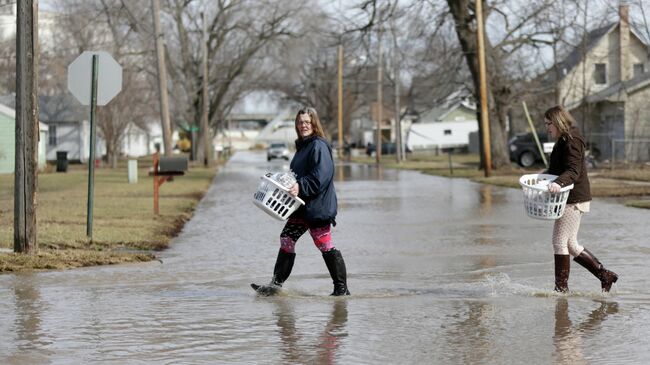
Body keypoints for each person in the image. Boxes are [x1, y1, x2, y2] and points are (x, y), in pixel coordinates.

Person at [252, 107, 350, 296]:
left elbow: (321, 176)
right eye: (300, 122)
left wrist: (300, 186)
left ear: (314, 123)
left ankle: (341, 289)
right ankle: (275, 285)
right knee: (287, 239)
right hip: (300, 206)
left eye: (307, 121)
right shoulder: (303, 146)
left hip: (317, 205)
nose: (303, 125)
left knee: (324, 244)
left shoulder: (318, 145)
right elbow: (298, 174)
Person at [543, 105, 618, 293]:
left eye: (548, 124)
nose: (547, 128)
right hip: (567, 196)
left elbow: (573, 171)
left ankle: (561, 289)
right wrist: (543, 176)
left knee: (560, 241)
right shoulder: (563, 139)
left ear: (558, 121)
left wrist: (558, 183)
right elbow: (560, 167)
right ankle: (605, 275)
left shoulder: (573, 139)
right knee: (570, 243)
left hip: (573, 197)